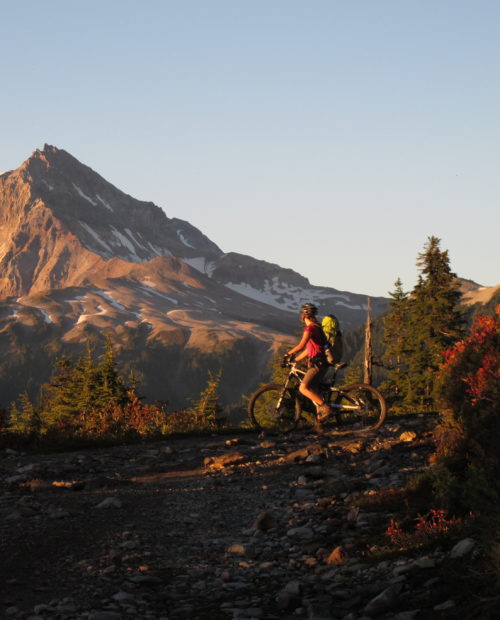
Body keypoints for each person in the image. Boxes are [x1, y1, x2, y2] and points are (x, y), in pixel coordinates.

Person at [285, 303, 332, 431]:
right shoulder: (317, 327)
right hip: (321, 362)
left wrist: (287, 354)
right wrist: (295, 359)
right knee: (315, 392)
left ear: (303, 315)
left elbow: (301, 345)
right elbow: (308, 350)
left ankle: (325, 408)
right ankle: (319, 425)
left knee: (303, 388)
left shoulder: (310, 328)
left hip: (317, 364)